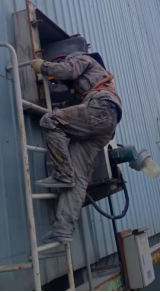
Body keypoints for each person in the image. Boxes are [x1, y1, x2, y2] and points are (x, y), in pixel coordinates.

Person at [30, 52, 122, 244]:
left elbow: (69, 69)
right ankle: (63, 229)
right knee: (78, 175)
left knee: (50, 120)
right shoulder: (86, 86)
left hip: (101, 108)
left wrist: (43, 66)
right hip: (105, 124)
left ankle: (63, 173)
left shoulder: (83, 58)